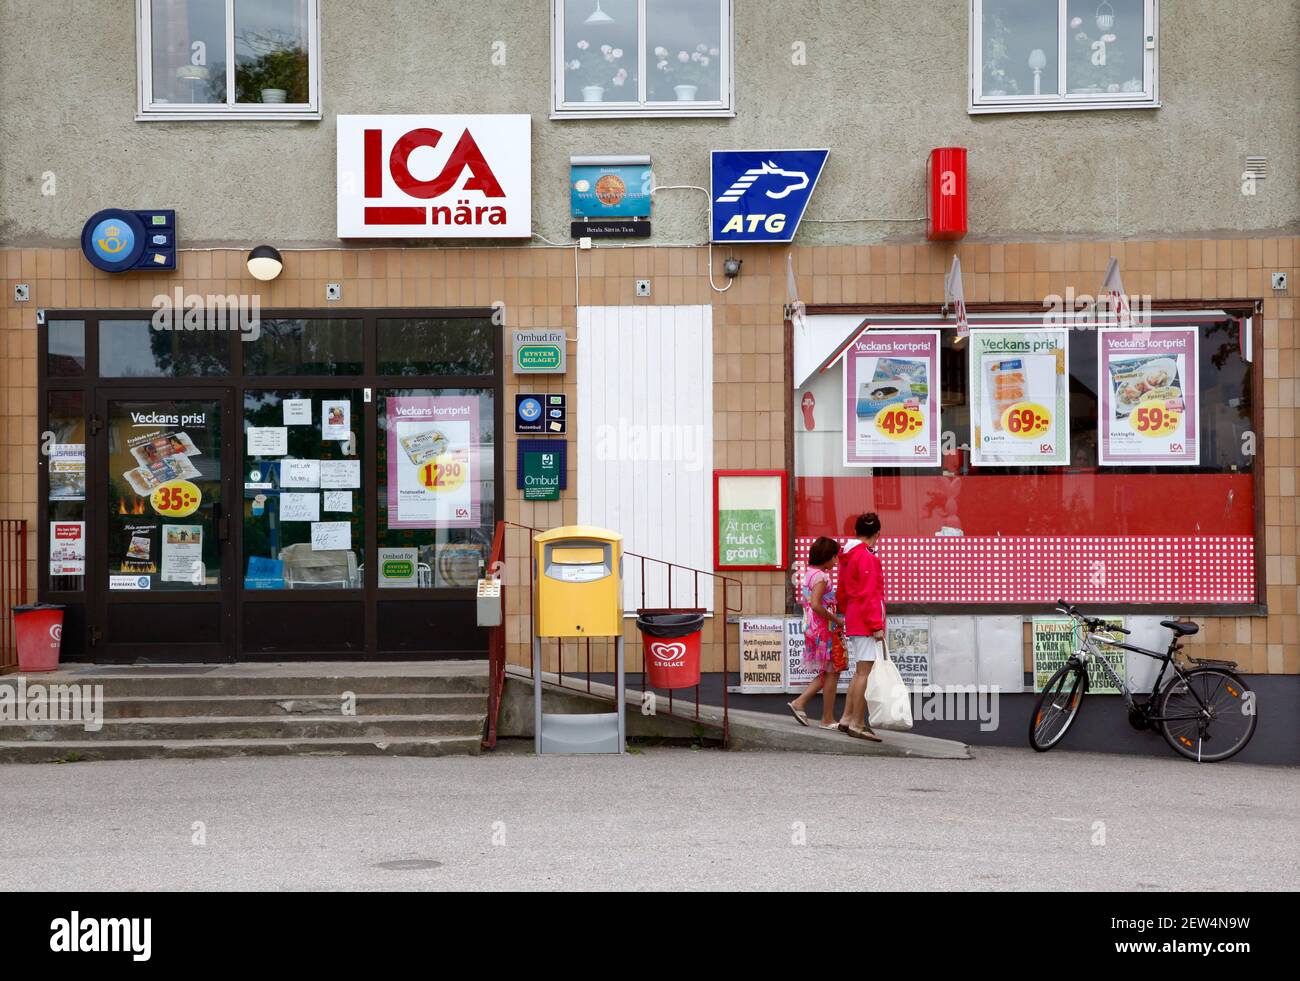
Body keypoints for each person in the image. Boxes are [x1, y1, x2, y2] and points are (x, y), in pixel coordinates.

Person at [787, 537, 846, 729]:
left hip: (813, 629)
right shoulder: (822, 577)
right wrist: (836, 619)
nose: (836, 561)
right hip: (825, 630)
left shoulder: (809, 574)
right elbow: (816, 604)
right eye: (834, 557)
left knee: (828, 671)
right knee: (833, 670)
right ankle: (826, 718)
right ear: (826, 557)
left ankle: (802, 703)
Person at [838, 512, 885, 742]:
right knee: (864, 672)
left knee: (859, 672)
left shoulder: (848, 554)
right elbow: (869, 594)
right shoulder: (866, 557)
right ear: (877, 534)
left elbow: (843, 593)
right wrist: (877, 624)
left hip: (854, 616)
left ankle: (847, 718)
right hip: (865, 619)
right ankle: (857, 722)